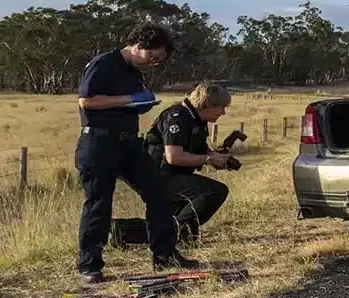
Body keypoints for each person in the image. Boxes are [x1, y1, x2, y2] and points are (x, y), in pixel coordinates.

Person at [74, 24, 201, 284]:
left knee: (158, 192)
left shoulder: (134, 73)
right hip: (99, 142)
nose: (152, 63)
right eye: (152, 56)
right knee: (99, 202)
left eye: (158, 62)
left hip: (130, 144)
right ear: (139, 45)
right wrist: (129, 100)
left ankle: (164, 254)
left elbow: (131, 101)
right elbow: (86, 101)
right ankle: (89, 265)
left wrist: (143, 103)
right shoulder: (104, 64)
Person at [143, 81, 235, 244]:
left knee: (166, 222)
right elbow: (174, 157)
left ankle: (119, 231)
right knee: (215, 191)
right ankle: (177, 233)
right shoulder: (177, 117)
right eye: (221, 107)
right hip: (158, 176)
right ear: (208, 104)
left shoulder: (197, 120)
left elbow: (202, 150)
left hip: (173, 176)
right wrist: (208, 159)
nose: (223, 112)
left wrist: (218, 158)